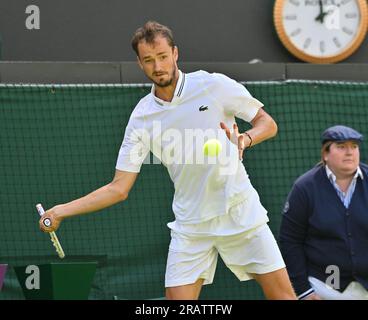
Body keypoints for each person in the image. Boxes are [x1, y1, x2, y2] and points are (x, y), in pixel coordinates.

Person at [39, 21, 296, 300]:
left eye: (162, 56)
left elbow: (266, 123)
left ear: (175, 53)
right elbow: (118, 188)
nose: (157, 66)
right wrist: (62, 210)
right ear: (139, 63)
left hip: (239, 212)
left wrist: (245, 139)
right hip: (191, 225)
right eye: (149, 60)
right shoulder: (142, 118)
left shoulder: (213, 85)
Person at [279, 125, 368, 300]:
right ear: (325, 154)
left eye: (354, 146)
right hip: (323, 289)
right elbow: (290, 241)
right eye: (341, 147)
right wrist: (303, 291)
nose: (349, 152)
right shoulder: (305, 187)